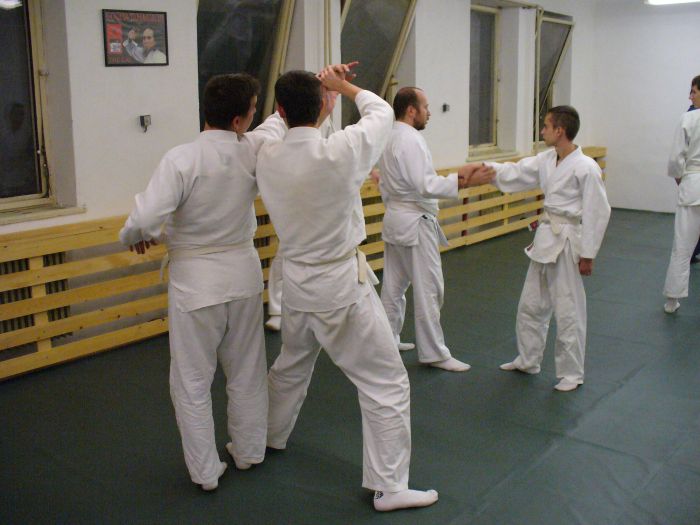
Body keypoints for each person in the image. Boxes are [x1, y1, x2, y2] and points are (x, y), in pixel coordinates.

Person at [255, 64, 439, 512]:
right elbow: (380, 111)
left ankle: (265, 437)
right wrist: (342, 87)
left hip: (297, 286)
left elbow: (279, 123)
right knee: (386, 381)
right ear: (321, 105)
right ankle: (389, 486)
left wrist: (319, 98)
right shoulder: (342, 150)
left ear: (280, 109)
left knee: (291, 365)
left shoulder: (265, 152)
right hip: (339, 287)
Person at [119, 73, 286, 490]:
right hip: (243, 277)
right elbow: (276, 125)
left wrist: (137, 235)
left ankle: (206, 472)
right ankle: (249, 451)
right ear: (238, 120)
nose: (255, 116)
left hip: (196, 284)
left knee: (192, 380)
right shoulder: (253, 149)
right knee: (247, 370)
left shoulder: (182, 159)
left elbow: (144, 218)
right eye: (252, 110)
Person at [483, 106, 610, 392]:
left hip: (567, 241)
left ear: (560, 131)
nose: (542, 131)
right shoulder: (547, 159)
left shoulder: (586, 167)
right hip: (545, 237)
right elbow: (516, 171)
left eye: (546, 126)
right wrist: (486, 170)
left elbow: (598, 211)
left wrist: (588, 254)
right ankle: (528, 359)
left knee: (568, 309)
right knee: (531, 304)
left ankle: (572, 373)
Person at [377, 87, 495, 372]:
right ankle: (434, 353)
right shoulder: (411, 139)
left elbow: (393, 183)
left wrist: (456, 179)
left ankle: (386, 342)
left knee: (393, 287)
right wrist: (461, 181)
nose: (429, 113)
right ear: (411, 110)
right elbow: (425, 184)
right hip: (414, 223)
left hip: (395, 219)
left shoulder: (389, 137)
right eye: (426, 107)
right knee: (429, 289)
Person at [662, 74, 700, 313]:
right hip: (692, 182)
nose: (690, 96)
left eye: (694, 91)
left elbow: (676, 158)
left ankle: (672, 300)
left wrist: (680, 177)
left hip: (693, 186)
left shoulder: (689, 119)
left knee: (683, 246)